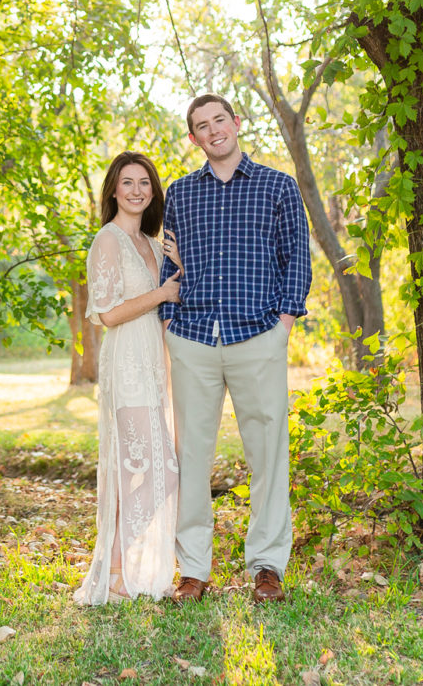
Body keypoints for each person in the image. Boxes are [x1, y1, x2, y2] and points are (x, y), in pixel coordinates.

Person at [159, 94, 311, 604]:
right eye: (201, 126)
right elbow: (169, 266)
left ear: (236, 123)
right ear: (194, 138)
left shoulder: (278, 186)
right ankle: (194, 570)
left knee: (268, 454)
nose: (213, 130)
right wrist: (169, 322)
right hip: (194, 339)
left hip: (258, 336)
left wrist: (284, 322)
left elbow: (297, 258)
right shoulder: (180, 194)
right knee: (192, 457)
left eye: (219, 120)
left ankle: (267, 567)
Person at [74, 151, 183, 605]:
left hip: (155, 364)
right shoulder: (108, 239)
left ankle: (122, 568)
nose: (137, 190)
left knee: (162, 472)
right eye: (127, 182)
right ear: (114, 190)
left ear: (153, 191)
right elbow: (104, 313)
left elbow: (167, 308)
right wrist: (160, 292)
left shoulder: (153, 245)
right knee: (143, 469)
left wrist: (175, 267)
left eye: (145, 183)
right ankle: (116, 570)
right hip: (126, 366)